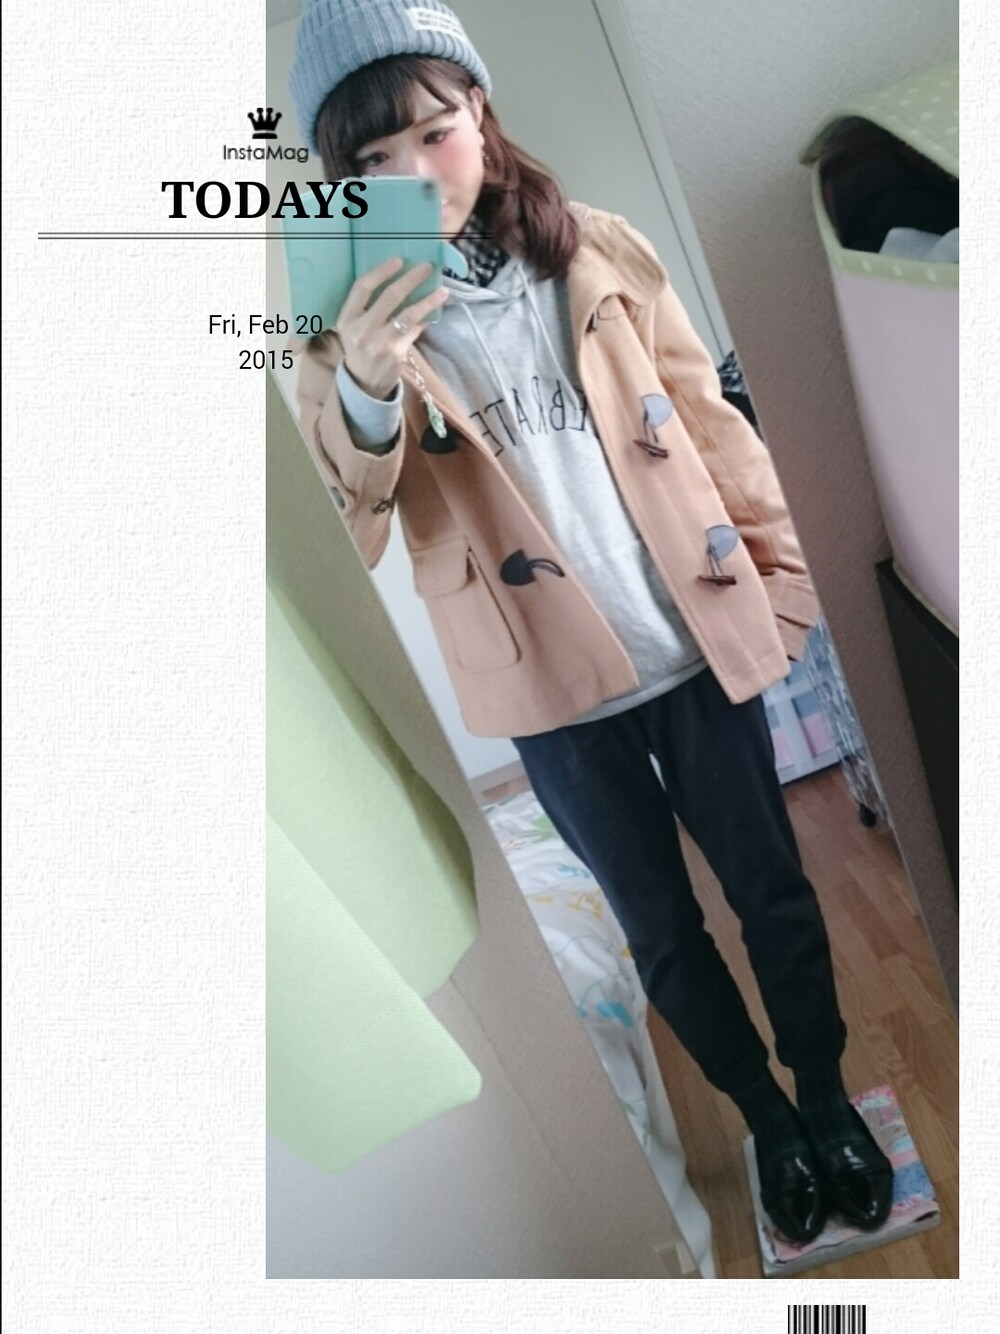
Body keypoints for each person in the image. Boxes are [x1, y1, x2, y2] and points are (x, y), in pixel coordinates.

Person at [288, 0, 894, 1246]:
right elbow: (357, 517)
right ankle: (766, 1120)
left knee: (774, 891)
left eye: (433, 132)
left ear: (480, 112)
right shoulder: (339, 338)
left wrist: (782, 580)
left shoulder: (597, 248)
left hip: (691, 641)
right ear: (341, 184)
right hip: (549, 693)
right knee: (660, 931)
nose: (414, 175)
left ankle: (825, 1095)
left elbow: (712, 426)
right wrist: (367, 381)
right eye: (372, 161)